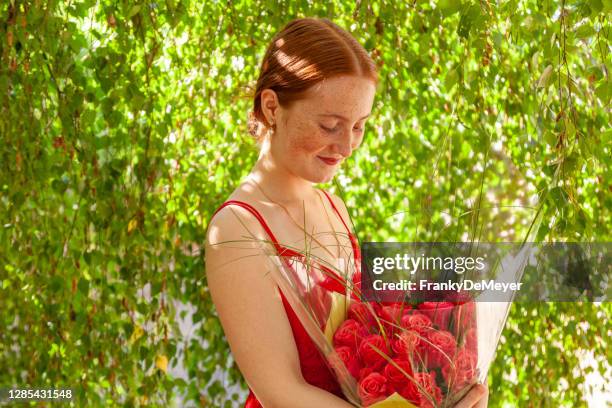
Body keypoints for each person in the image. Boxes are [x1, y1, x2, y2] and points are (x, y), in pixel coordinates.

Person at [205, 17, 488, 407]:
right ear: (272, 107)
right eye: (329, 125)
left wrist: (440, 386)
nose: (347, 146)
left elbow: (373, 345)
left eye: (358, 126)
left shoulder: (334, 208)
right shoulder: (236, 229)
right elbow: (280, 392)